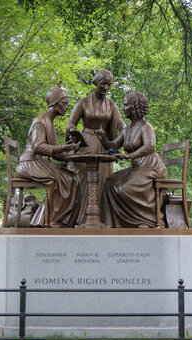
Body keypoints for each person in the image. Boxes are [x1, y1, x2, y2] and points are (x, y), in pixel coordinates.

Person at [95, 91, 167, 228]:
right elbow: (113, 145)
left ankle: (149, 220)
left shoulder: (146, 127)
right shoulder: (127, 130)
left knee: (126, 188)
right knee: (109, 183)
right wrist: (103, 139)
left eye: (126, 105)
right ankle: (115, 223)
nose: (123, 108)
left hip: (150, 166)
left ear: (134, 107)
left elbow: (150, 146)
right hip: (137, 167)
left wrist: (130, 156)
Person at [66, 69, 126, 224]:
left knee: (103, 180)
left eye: (109, 85)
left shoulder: (112, 106)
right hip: (85, 143)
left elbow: (123, 127)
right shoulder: (84, 102)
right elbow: (71, 123)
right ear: (96, 83)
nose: (106, 88)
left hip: (103, 145)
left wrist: (116, 142)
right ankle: (80, 218)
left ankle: (101, 218)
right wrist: (73, 132)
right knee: (83, 179)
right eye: (103, 83)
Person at [15, 87, 81, 227]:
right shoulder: (40, 122)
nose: (66, 107)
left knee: (73, 178)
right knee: (56, 180)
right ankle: (49, 220)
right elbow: (38, 147)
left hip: (40, 163)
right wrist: (63, 148)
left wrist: (71, 154)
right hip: (30, 163)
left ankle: (59, 219)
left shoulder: (50, 123)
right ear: (54, 103)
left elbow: (55, 153)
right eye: (64, 103)